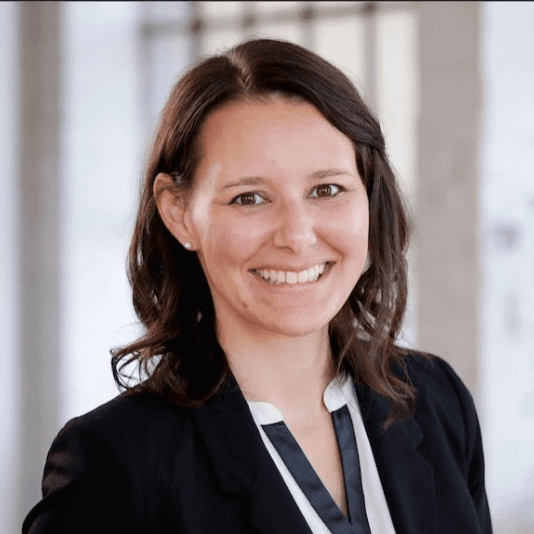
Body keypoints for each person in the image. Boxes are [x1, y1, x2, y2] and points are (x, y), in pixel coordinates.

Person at [23, 38, 492, 534]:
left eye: (327, 189)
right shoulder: (115, 462)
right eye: (249, 198)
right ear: (179, 213)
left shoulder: (435, 400)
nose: (297, 236)